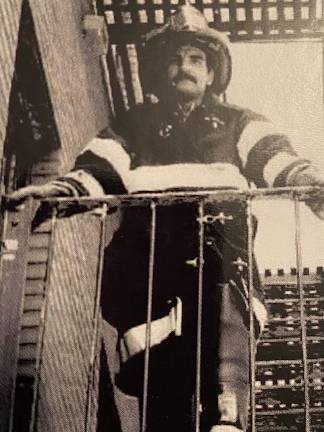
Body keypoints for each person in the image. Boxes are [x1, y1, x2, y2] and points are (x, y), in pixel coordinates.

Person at [10, 4, 324, 432]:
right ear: (159, 72)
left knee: (224, 312)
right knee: (160, 357)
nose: (185, 67)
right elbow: (101, 167)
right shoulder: (135, 125)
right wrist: (63, 191)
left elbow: (274, 157)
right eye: (174, 59)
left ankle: (227, 415)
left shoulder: (238, 123)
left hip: (216, 251)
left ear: (212, 74)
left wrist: (308, 182)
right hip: (149, 257)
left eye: (196, 59)